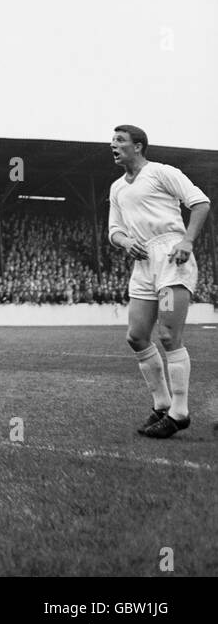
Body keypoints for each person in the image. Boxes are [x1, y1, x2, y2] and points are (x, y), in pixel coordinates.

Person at [110, 124, 211, 439]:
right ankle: (162, 402)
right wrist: (126, 243)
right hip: (142, 265)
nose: (113, 145)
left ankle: (179, 412)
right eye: (112, 140)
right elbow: (114, 230)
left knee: (168, 335)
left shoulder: (161, 172)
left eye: (120, 140)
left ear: (138, 146)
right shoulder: (117, 188)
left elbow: (200, 202)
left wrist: (187, 241)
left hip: (170, 258)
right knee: (137, 336)